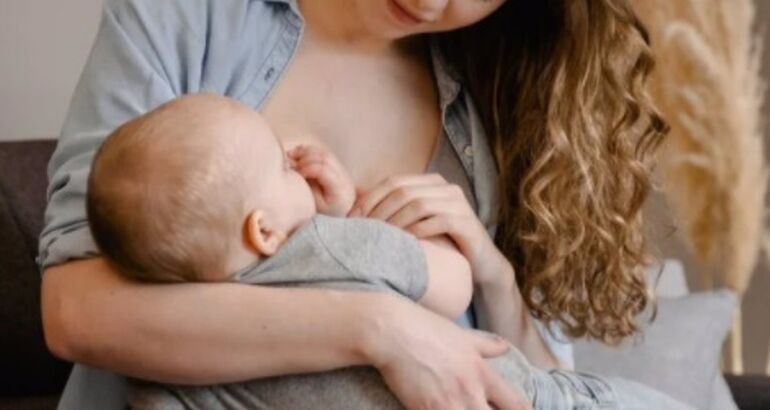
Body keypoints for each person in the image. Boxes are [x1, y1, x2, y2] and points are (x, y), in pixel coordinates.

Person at [38, 0, 679, 409]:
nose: (429, 2)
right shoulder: (190, 15)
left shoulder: (505, 89)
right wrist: (381, 330)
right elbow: (76, 312)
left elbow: (540, 385)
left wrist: (494, 277)